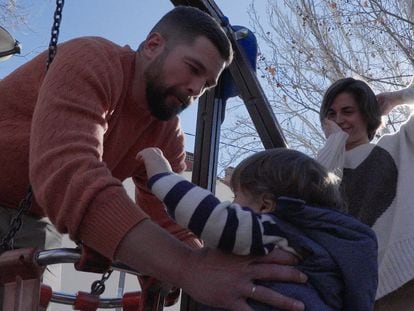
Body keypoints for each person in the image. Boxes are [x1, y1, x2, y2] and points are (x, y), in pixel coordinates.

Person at [0, 6, 308, 310]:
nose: (196, 88)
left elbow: (170, 220)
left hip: (32, 219)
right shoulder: (91, 60)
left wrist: (202, 261)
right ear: (153, 45)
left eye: (207, 84)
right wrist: (188, 268)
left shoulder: (165, 135)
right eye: (193, 68)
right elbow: (69, 174)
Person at [137, 147, 378, 310]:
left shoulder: (275, 231)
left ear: (265, 205)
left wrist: (161, 175)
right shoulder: (319, 248)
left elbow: (210, 219)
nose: (231, 205)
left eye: (236, 196)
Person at [316, 77, 414, 310]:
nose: (339, 120)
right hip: (352, 294)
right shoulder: (322, 164)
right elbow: (312, 200)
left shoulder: (398, 145)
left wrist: (397, 98)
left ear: (366, 114)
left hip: (404, 277)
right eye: (331, 114)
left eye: (347, 111)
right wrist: (334, 143)